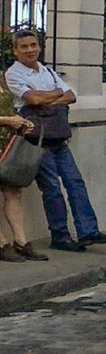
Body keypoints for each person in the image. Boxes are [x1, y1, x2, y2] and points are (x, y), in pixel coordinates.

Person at [5, 30, 106, 252]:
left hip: (57, 136)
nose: (30, 50)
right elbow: (33, 99)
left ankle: (88, 231)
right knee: (52, 188)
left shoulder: (47, 71)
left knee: (75, 182)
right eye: (24, 46)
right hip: (36, 140)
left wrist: (47, 99)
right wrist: (54, 95)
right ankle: (60, 236)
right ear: (15, 50)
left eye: (33, 45)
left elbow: (71, 96)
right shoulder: (14, 74)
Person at [0, 71, 46, 262]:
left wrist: (19, 121)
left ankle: (21, 241)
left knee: (14, 192)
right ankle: (2, 244)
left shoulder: (1, 77)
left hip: (6, 144)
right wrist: (7, 120)